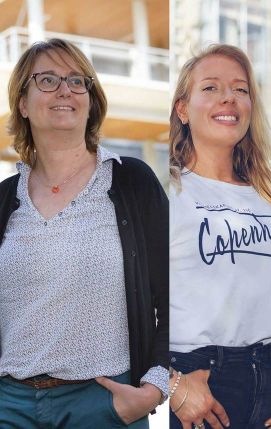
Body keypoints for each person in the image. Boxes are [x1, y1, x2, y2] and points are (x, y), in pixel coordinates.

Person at [0, 38, 168, 428]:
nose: (65, 90)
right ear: (23, 103)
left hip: (104, 403)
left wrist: (154, 388)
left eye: (78, 81)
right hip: (10, 405)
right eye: (47, 80)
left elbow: (177, 290)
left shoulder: (131, 181)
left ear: (90, 101)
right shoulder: (5, 199)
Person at [168, 44, 271, 429]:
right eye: (211, 88)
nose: (228, 97)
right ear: (183, 109)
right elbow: (135, 308)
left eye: (240, 89)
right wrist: (174, 386)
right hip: (202, 388)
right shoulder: (166, 191)